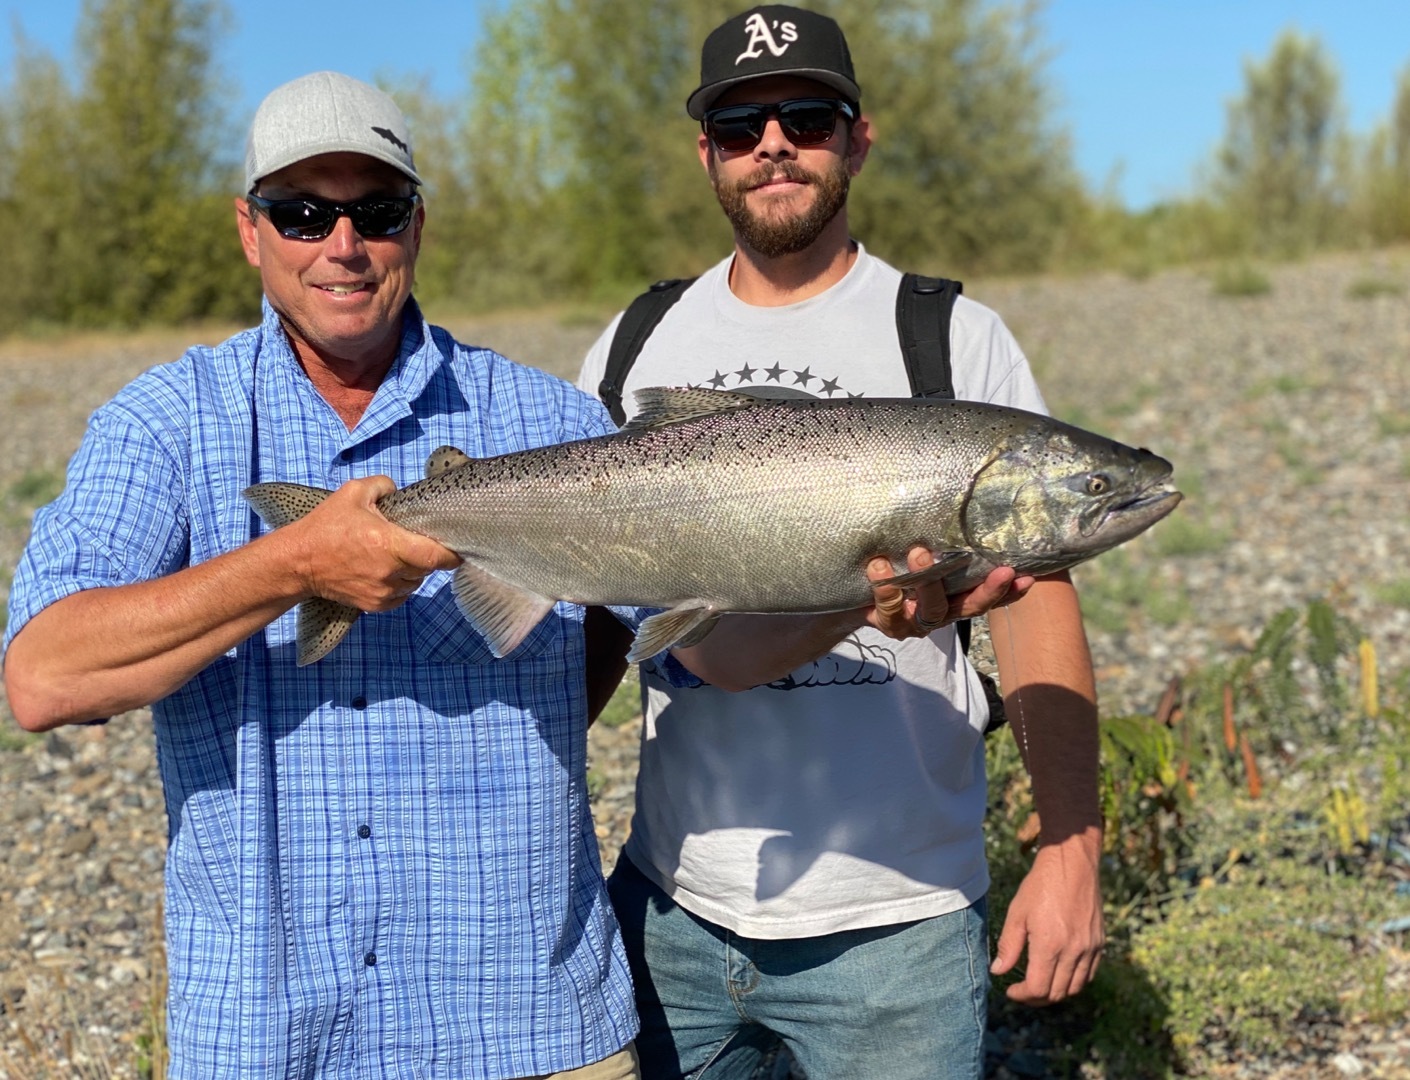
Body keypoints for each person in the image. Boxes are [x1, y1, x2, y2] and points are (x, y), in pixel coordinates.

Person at [2, 71, 645, 1080]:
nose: (342, 245)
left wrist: (856, 589)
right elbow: (44, 677)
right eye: (302, 213)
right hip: (270, 1042)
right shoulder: (166, 422)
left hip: (532, 1031)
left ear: (417, 226)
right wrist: (296, 562)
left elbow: (666, 624)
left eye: (374, 212)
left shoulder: (551, 422)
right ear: (248, 230)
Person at [577, 7, 1106, 1079]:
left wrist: (1072, 848)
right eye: (741, 125)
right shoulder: (635, 342)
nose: (774, 144)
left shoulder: (953, 337)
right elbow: (588, 624)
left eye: (807, 117)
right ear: (708, 155)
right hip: (670, 905)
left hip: (899, 926)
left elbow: (1037, 594)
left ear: (857, 138)